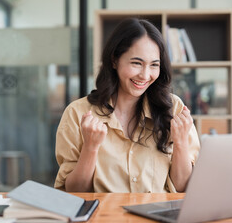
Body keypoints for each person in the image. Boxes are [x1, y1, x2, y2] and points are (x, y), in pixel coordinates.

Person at [54, 18, 200, 193]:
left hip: (158, 218)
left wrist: (181, 142)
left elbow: (183, 189)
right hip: (104, 219)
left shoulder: (173, 109)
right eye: (136, 63)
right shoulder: (77, 113)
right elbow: (74, 193)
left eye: (154, 65)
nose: (145, 75)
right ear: (115, 60)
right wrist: (90, 148)